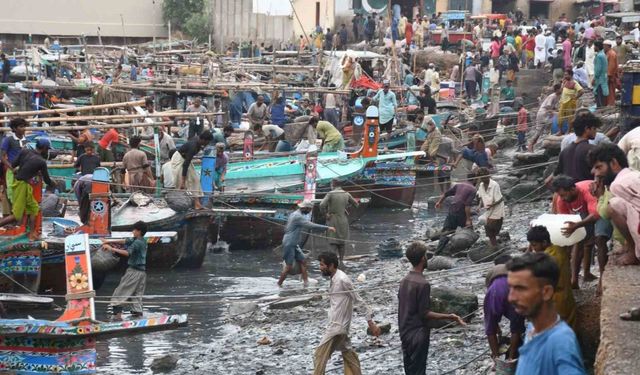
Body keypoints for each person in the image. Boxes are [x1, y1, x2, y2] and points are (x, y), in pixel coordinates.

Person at [507, 253, 586, 375]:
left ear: (547, 292)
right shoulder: (533, 328)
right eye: (510, 288)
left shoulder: (560, 343)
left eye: (520, 288)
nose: (511, 297)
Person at [399, 241, 466, 374]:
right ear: (423, 258)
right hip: (418, 334)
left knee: (410, 370)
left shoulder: (404, 280)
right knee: (419, 370)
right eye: (426, 255)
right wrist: (450, 316)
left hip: (405, 332)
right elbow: (424, 313)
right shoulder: (423, 284)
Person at [313, 251, 380, 375]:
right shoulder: (334, 278)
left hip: (337, 327)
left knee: (319, 355)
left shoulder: (342, 279)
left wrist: (371, 323)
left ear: (331, 265)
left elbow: (358, 300)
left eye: (322, 265)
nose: (320, 268)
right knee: (348, 354)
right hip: (339, 326)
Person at [589, 143, 640, 266]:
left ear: (613, 163)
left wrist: (600, 197)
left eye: (598, 167)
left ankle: (633, 251)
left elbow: (606, 213)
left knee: (613, 206)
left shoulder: (618, 185)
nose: (595, 173)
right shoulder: (634, 174)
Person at [551, 175, 599, 289]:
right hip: (583, 212)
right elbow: (564, 220)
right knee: (578, 241)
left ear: (573, 189)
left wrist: (577, 225)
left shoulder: (587, 191)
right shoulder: (561, 200)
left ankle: (586, 273)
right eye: (560, 195)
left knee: (593, 240)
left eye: (563, 195)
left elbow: (596, 214)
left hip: (597, 206)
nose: (562, 198)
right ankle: (574, 280)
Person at [0, 139, 54, 240]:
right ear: (44, 149)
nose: (47, 151)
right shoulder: (41, 162)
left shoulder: (24, 151)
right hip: (21, 185)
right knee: (16, 215)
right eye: (47, 149)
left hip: (19, 183)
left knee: (33, 208)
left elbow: (13, 164)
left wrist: (26, 170)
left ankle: (32, 233)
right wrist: (53, 183)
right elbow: (47, 180)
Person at [527, 226, 577, 328]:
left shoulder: (546, 260)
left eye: (534, 245)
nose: (533, 249)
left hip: (555, 301)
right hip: (567, 298)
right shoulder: (558, 248)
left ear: (544, 242)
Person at [278, 201, 334, 287]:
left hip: (293, 243)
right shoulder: (297, 217)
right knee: (288, 267)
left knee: (303, 261)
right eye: (310, 210)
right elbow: (310, 225)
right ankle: (279, 284)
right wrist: (327, 227)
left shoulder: (294, 214)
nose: (310, 211)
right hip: (289, 243)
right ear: (306, 208)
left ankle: (306, 282)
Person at [102, 220, 148, 321]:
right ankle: (138, 317)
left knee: (119, 293)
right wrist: (108, 241)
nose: (133, 231)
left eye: (134, 230)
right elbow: (125, 241)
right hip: (142, 273)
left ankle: (117, 317)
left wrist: (111, 249)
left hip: (134, 272)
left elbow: (127, 253)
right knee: (136, 295)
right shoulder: (142, 240)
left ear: (139, 231)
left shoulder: (137, 243)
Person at [484, 254, 524, 362]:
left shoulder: (493, 270)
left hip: (494, 292)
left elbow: (488, 288)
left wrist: (495, 324)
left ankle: (496, 358)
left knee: (490, 327)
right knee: (517, 326)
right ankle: (511, 357)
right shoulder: (515, 268)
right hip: (513, 289)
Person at [550, 111, 598, 183]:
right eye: (594, 128)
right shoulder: (593, 150)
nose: (596, 131)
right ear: (587, 129)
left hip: (571, 192)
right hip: (588, 191)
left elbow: (555, 177)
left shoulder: (564, 152)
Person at [171, 130, 214, 210]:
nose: (207, 144)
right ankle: (179, 203)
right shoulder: (193, 146)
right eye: (207, 142)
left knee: (194, 179)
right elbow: (185, 164)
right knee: (180, 181)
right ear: (204, 140)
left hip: (185, 159)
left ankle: (197, 204)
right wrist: (183, 181)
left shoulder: (198, 141)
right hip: (178, 159)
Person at [320, 179, 358, 265]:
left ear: (333, 184)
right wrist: (346, 207)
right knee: (342, 243)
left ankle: (333, 264)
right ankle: (341, 261)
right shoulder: (346, 194)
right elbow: (356, 204)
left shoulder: (330, 193)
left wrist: (325, 214)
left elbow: (322, 205)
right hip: (343, 220)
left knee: (333, 242)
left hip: (333, 220)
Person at [434, 181, 476, 253]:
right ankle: (469, 250)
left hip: (452, 210)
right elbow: (467, 205)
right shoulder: (473, 190)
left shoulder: (459, 185)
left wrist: (439, 202)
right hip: (461, 212)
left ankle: (437, 251)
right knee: (468, 229)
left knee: (446, 232)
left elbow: (446, 194)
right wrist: (468, 219)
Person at [476, 168, 505, 248]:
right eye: (481, 177)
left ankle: (495, 245)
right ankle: (494, 246)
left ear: (488, 176)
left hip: (497, 208)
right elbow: (481, 197)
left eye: (484, 177)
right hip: (488, 209)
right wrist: (479, 206)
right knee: (488, 228)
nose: (483, 179)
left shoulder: (494, 184)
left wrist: (492, 205)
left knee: (491, 226)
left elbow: (500, 199)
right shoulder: (481, 185)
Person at [1, 118, 27, 206]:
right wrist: (11, 167)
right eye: (21, 127)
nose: (24, 129)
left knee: (22, 192)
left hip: (23, 170)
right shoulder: (9, 140)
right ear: (15, 129)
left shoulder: (25, 140)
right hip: (12, 170)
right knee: (11, 192)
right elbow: (2, 156)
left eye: (24, 126)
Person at [529, 84, 561, 151]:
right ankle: (531, 145)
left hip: (546, 113)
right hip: (543, 114)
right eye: (561, 88)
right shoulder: (552, 96)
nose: (562, 89)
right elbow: (549, 106)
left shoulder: (557, 96)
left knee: (539, 132)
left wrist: (556, 110)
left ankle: (532, 145)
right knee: (540, 130)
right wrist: (554, 112)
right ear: (557, 89)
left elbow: (553, 106)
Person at [557, 69, 583, 134]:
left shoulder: (575, 83)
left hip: (570, 102)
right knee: (560, 116)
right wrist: (562, 84)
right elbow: (560, 91)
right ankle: (560, 131)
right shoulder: (565, 82)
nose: (565, 76)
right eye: (564, 75)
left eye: (566, 75)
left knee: (570, 117)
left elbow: (582, 91)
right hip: (563, 101)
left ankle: (568, 131)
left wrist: (576, 97)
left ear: (570, 75)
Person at [593, 41, 609, 108]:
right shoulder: (603, 54)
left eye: (594, 46)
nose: (594, 47)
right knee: (603, 95)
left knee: (599, 96)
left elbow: (597, 70)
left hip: (599, 80)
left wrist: (594, 79)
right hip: (603, 78)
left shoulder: (599, 56)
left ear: (597, 47)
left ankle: (600, 110)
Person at [604, 40, 618, 107]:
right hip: (609, 75)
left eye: (604, 45)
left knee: (611, 90)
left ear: (607, 46)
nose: (603, 47)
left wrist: (609, 75)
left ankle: (611, 104)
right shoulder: (608, 53)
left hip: (611, 76)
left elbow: (611, 66)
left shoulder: (611, 53)